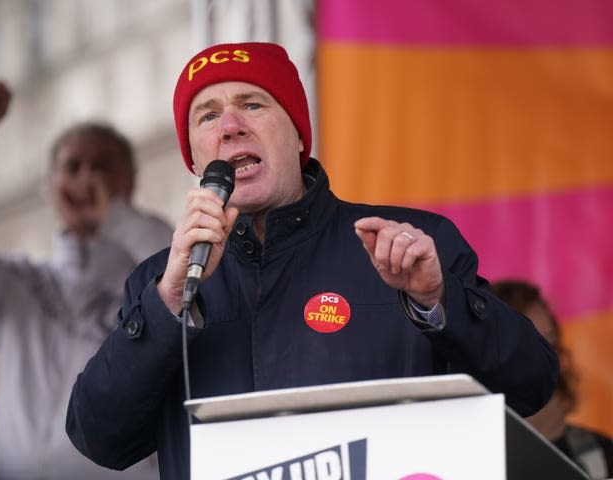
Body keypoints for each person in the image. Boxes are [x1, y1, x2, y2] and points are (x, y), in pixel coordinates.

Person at [65, 42, 559, 479]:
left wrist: (437, 301)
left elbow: (530, 384)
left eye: (252, 104)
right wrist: (166, 305)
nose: (231, 126)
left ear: (300, 136)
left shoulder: (407, 244)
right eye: (208, 116)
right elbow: (99, 439)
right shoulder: (160, 282)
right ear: (194, 159)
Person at [0, 81, 173, 479]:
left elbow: (188, 275)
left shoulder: (148, 279)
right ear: (49, 188)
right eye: (73, 167)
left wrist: (112, 214)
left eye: (102, 166)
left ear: (129, 183)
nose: (87, 179)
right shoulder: (18, 284)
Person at [492, 279, 613, 479]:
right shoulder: (472, 456)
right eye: (526, 348)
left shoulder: (599, 452)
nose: (542, 359)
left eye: (549, 342)